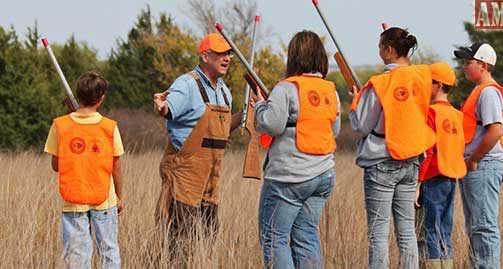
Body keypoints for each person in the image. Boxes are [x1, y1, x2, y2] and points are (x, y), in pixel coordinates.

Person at [252, 30, 340, 269]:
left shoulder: (286, 88)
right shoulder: (329, 90)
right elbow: (335, 130)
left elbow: (271, 124)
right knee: (306, 236)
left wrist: (260, 105)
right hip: (323, 174)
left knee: (274, 239)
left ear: (294, 57)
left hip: (289, 176)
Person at [349, 27, 435, 269]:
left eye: (380, 47)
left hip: (382, 161)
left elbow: (362, 126)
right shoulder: (422, 78)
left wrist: (356, 103)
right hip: (411, 161)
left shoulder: (379, 84)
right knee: (407, 232)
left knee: (378, 234)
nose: (378, 52)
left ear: (388, 50)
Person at [152, 33, 242, 257]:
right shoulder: (187, 84)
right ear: (205, 56)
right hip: (186, 172)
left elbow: (221, 130)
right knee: (182, 236)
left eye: (229, 53)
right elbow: (168, 108)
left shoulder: (224, 90)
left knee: (209, 233)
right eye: (221, 53)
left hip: (212, 174)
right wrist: (162, 106)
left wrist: (246, 114)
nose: (228, 58)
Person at [44, 71, 124, 269]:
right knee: (109, 252)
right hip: (105, 200)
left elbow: (56, 166)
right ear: (101, 98)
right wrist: (120, 197)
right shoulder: (109, 127)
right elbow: (116, 166)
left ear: (78, 96)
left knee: (77, 257)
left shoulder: (61, 125)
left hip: (73, 201)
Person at [454, 43, 503, 268]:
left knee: (484, 227)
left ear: (483, 65)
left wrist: (474, 158)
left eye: (468, 62)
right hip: (478, 165)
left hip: (483, 165)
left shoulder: (488, 92)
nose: (464, 67)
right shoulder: (480, 90)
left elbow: (495, 130)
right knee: (476, 227)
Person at [415, 62, 467, 269]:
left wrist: (418, 182)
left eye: (429, 82)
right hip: (451, 177)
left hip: (432, 176)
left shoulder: (431, 113)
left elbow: (427, 151)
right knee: (444, 228)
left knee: (430, 229)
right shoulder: (457, 115)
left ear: (437, 85)